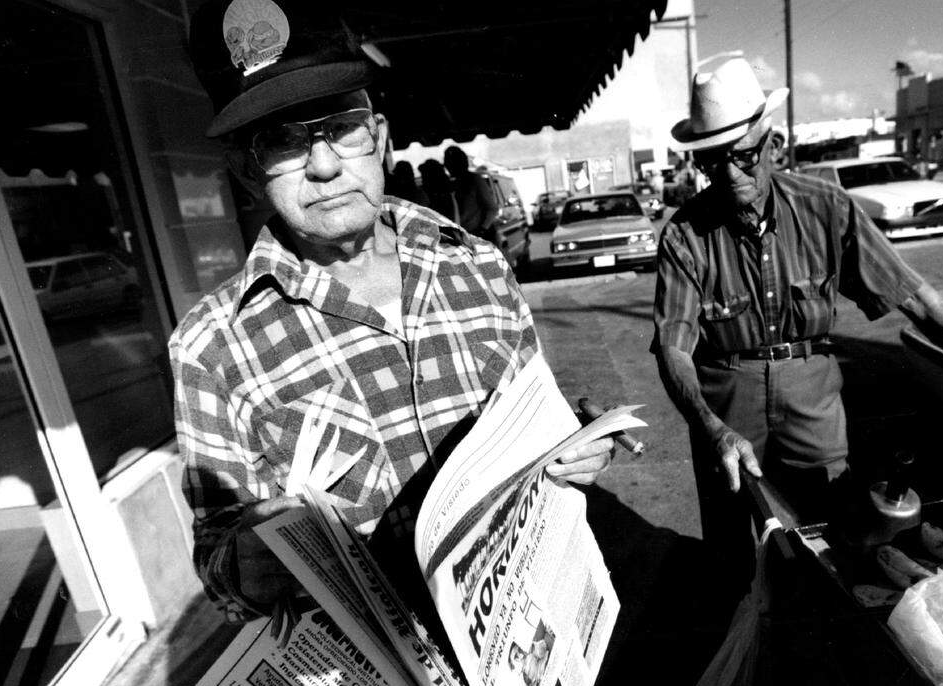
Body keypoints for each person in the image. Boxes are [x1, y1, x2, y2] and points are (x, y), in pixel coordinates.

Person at [174, 0, 613, 623]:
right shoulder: (210, 347)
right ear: (249, 172)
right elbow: (220, 568)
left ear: (378, 138)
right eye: (281, 141)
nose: (324, 166)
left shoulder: (477, 265)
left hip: (528, 628)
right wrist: (248, 562)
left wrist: (571, 449)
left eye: (342, 128)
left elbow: (533, 427)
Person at [652, 57, 943, 595]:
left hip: (812, 397)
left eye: (743, 158)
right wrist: (711, 425)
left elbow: (911, 294)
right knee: (732, 537)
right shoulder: (684, 235)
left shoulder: (825, 208)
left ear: (770, 144)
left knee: (831, 532)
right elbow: (673, 347)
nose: (730, 175)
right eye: (712, 162)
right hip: (727, 397)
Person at [443, 144, 498, 240]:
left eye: (449, 163)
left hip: (476, 234)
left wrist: (482, 229)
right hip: (461, 236)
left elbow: (492, 208)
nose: (447, 167)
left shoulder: (475, 180)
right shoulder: (451, 184)